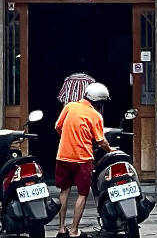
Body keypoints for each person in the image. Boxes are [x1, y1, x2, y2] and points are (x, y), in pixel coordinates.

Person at [53, 82, 110, 238]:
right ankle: (74, 231)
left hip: (63, 156)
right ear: (98, 102)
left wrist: (69, 138)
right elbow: (100, 141)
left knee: (64, 191)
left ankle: (60, 229)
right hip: (83, 159)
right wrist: (111, 150)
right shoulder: (96, 115)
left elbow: (58, 126)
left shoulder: (70, 106)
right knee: (82, 194)